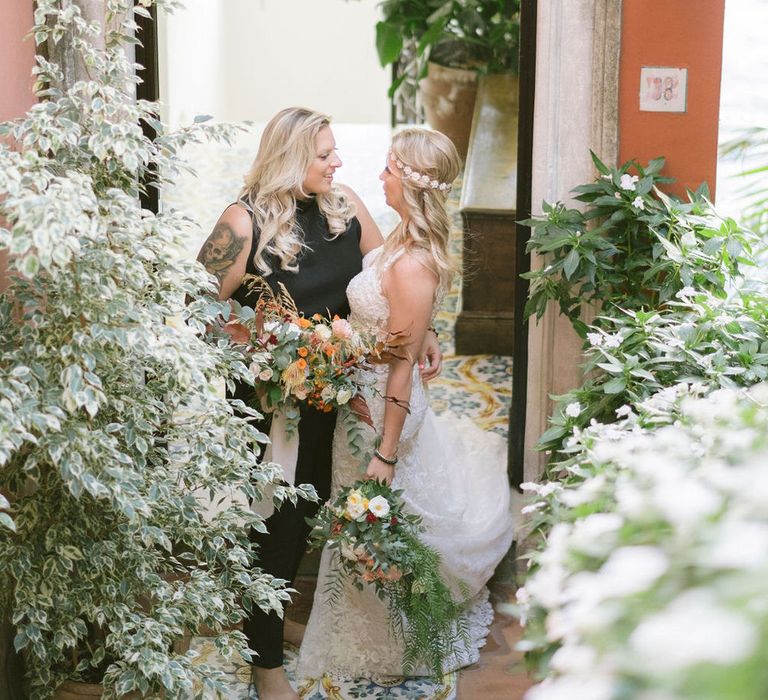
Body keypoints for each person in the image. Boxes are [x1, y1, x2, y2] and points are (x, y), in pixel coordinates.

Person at [194, 108, 443, 700]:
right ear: (289, 157)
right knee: (276, 523)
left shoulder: (345, 206)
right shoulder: (243, 221)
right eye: (325, 153)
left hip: (335, 392)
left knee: (308, 516)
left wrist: (424, 330)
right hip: (272, 399)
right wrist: (261, 343)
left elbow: (386, 276)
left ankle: (273, 614)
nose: (338, 161)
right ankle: (265, 662)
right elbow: (193, 303)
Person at [297, 128, 515, 680]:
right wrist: (423, 331)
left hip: (382, 412)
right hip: (362, 401)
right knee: (372, 519)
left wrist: (387, 452)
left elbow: (399, 369)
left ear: (412, 183)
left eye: (390, 168)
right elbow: (399, 321)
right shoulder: (398, 238)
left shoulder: (415, 261)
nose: (381, 176)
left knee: (379, 518)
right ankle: (361, 622)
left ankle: (395, 642)